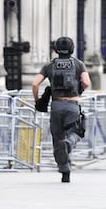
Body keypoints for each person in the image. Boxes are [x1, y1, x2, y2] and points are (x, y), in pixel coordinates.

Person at [32, 36, 91, 183]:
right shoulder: (78, 64)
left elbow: (35, 84)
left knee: (57, 139)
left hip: (56, 106)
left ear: (56, 49)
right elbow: (86, 82)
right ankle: (70, 142)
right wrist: (79, 90)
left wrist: (37, 100)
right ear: (72, 49)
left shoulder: (49, 66)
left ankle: (65, 171)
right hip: (72, 105)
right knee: (75, 131)